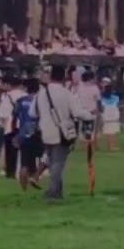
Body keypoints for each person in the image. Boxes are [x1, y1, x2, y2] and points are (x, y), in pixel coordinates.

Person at [35, 69, 93, 201]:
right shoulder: (66, 94)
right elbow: (77, 112)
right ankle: (54, 191)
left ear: (50, 77)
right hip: (62, 132)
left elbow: (33, 113)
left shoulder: (41, 94)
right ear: (63, 78)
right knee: (58, 163)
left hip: (45, 131)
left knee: (51, 161)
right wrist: (89, 115)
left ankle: (57, 191)